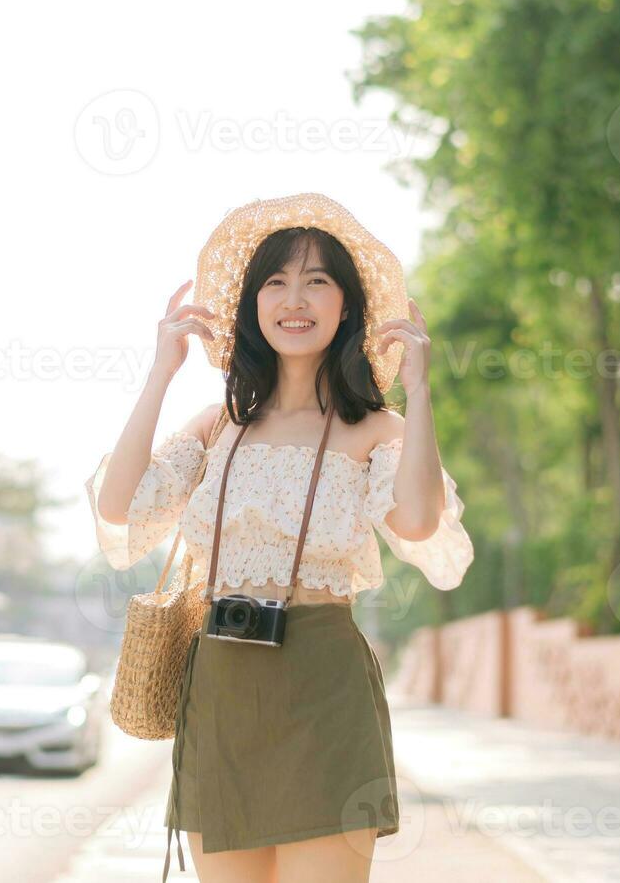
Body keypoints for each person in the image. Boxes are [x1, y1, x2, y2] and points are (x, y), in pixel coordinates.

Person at [85, 192, 475, 883]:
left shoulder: (375, 429)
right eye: (276, 281)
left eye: (317, 280)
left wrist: (418, 393)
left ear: (347, 305)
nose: (295, 298)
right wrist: (160, 372)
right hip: (222, 685)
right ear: (252, 306)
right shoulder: (215, 425)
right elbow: (119, 506)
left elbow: (416, 522)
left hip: (323, 685)